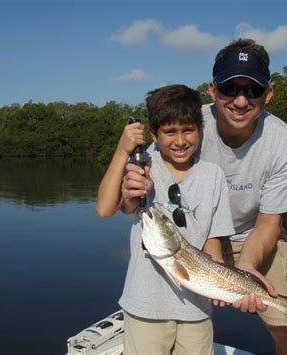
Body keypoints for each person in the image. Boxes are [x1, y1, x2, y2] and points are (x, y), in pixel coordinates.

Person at [121, 39, 287, 355]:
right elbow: (147, 190)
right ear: (212, 90)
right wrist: (129, 185)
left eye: (252, 90)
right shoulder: (187, 125)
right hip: (190, 239)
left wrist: (245, 269)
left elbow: (269, 224)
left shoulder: (285, 145)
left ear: (268, 93)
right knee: (166, 319)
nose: (239, 100)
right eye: (229, 88)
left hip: (255, 235)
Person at [96, 84, 235, 355]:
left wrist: (224, 286)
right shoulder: (143, 165)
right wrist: (123, 151)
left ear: (200, 129)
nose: (180, 140)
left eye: (188, 130)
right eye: (169, 132)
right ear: (154, 134)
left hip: (197, 307)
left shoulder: (213, 175)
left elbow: (213, 240)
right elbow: (105, 209)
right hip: (145, 307)